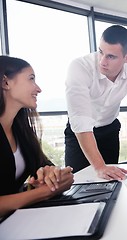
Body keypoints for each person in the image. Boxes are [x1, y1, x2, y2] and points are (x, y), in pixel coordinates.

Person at [64, 25, 127, 179]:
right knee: (78, 183)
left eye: (111, 56)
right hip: (80, 134)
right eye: (100, 52)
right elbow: (81, 120)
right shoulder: (79, 67)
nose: (102, 61)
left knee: (111, 183)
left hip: (109, 131)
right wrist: (99, 167)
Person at [0, 56, 74, 218]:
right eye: (31, 79)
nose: (38, 89)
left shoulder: (21, 130)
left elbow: (45, 166)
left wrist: (54, 175)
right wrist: (44, 192)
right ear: (5, 83)